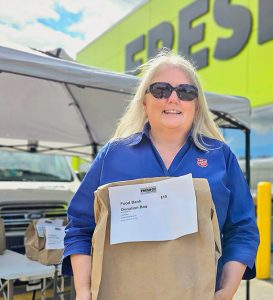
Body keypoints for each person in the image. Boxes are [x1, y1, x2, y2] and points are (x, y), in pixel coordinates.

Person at [63, 49, 260, 300]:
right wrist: (83, 291)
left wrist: (227, 290)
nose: (173, 99)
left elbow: (242, 229)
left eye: (186, 92)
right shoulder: (113, 155)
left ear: (196, 105)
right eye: (161, 90)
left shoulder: (220, 156)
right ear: (144, 102)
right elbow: (80, 227)